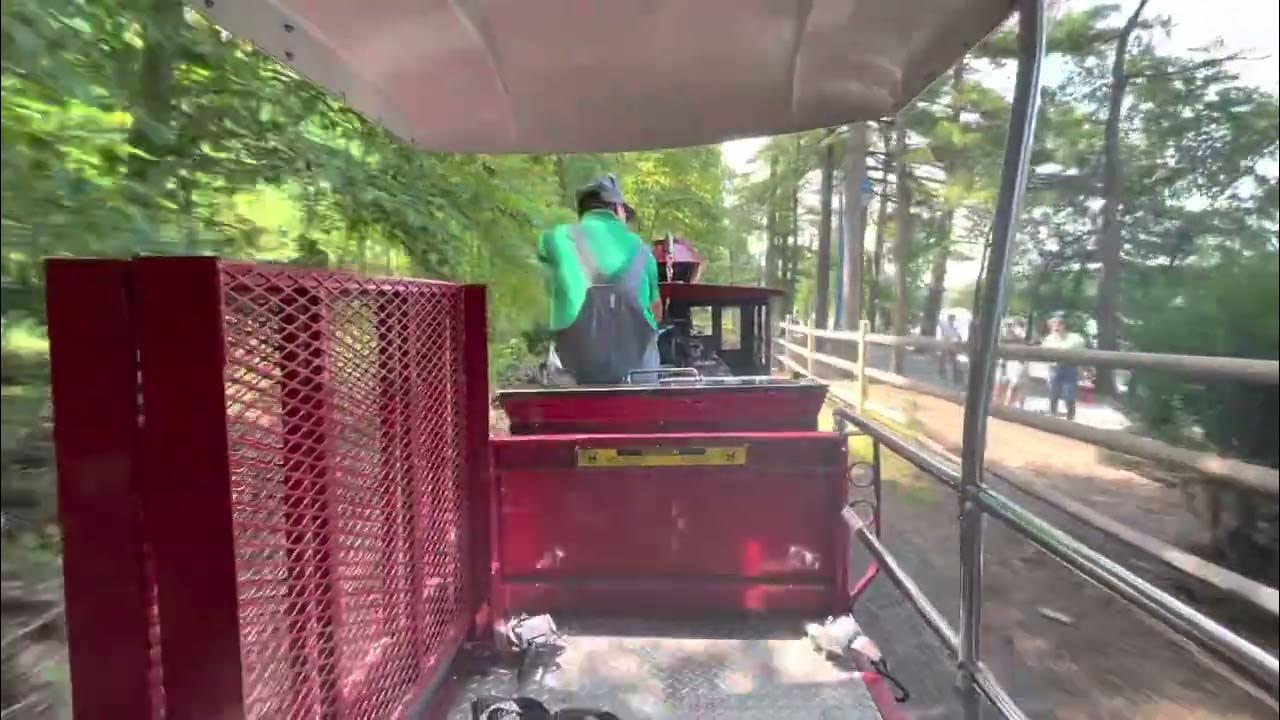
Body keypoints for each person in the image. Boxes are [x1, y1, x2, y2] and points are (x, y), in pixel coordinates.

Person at [537, 174, 662, 385]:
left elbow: (539, 279)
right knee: (652, 342)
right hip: (637, 379)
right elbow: (656, 310)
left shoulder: (554, 238)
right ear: (618, 208)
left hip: (574, 376)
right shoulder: (642, 249)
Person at [1042, 312, 1086, 420]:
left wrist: (1081, 371)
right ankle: (1052, 415)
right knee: (1053, 394)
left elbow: (1080, 355)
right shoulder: (1049, 339)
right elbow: (1045, 355)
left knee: (1069, 395)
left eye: (1058, 324)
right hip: (1055, 368)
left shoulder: (1075, 339)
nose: (1056, 327)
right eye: (1053, 324)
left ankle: (1070, 416)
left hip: (1069, 368)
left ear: (1064, 325)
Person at [938, 313, 962, 385]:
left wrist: (959, 339)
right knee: (943, 359)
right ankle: (943, 373)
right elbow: (940, 324)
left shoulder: (954, 327)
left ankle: (955, 377)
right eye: (951, 319)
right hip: (946, 343)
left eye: (953, 320)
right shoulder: (945, 325)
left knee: (953, 360)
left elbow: (958, 335)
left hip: (951, 344)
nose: (952, 321)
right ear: (949, 319)